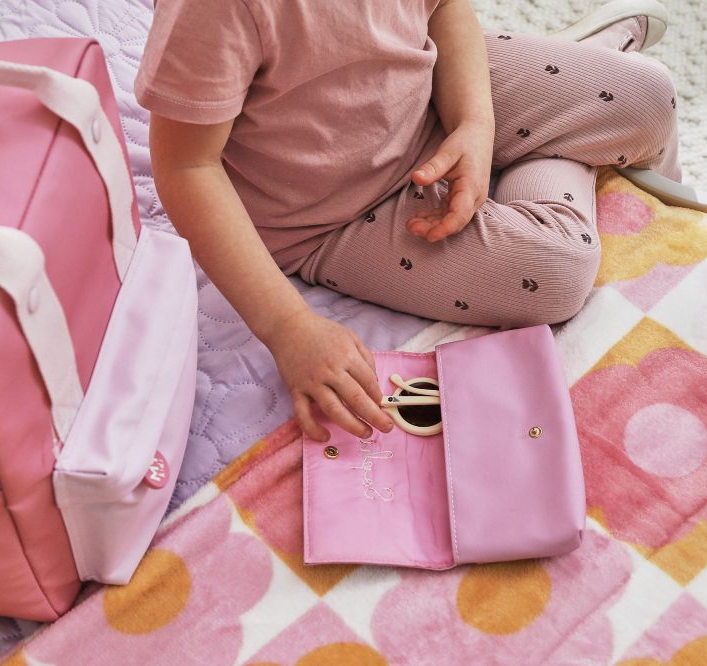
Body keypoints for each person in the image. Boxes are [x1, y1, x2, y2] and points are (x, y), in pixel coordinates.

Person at [136, 0, 680, 443]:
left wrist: (474, 124)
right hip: (329, 217)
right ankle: (568, 119)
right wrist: (288, 327)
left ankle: (564, 115)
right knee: (556, 273)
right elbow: (187, 167)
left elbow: (446, 8)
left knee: (651, 97)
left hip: (430, 93)